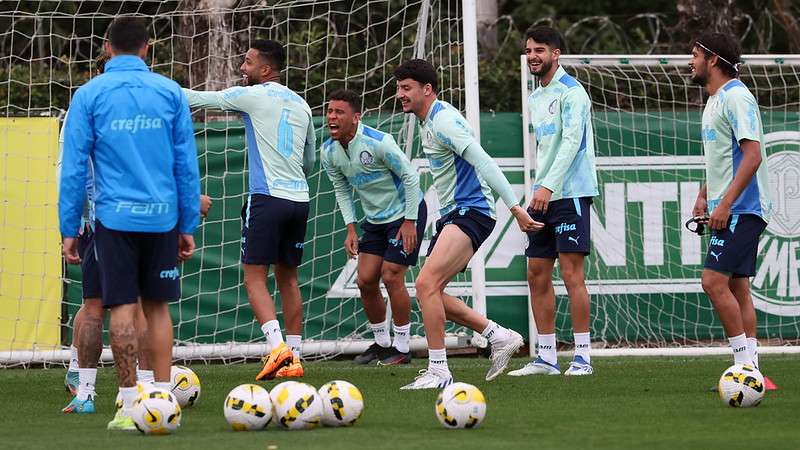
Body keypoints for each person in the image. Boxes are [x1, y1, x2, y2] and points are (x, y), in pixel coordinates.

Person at [59, 17, 200, 430]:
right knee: (157, 307)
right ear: (146, 48)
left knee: (120, 306)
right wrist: (187, 223)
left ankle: (127, 405)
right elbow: (185, 165)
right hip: (162, 216)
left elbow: (72, 169)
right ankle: (160, 398)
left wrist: (70, 227)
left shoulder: (88, 95)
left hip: (113, 219)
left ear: (106, 49)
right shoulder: (170, 92)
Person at [393, 59, 541, 390]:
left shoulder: (443, 121)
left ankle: (439, 371)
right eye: (399, 88)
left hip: (471, 210)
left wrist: (515, 208)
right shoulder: (427, 120)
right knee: (432, 292)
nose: (400, 94)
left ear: (426, 90)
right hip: (455, 213)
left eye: (406, 88)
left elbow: (484, 161)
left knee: (425, 285)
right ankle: (498, 334)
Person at [183, 39, 316, 380]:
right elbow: (310, 160)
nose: (242, 68)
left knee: (254, 277)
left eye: (248, 62)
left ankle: (278, 349)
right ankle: (296, 356)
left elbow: (198, 99)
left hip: (267, 199)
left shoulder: (252, 96)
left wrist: (151, 87)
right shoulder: (302, 105)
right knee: (288, 278)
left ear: (265, 70)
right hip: (299, 200)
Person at [508, 26, 599, 377]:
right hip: (543, 194)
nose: (533, 56)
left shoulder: (573, 93)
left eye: (540, 50)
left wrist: (547, 185)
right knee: (536, 272)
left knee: (572, 273)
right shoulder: (535, 96)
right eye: (529, 50)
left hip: (571, 192)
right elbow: (546, 150)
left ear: (556, 54)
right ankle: (546, 357)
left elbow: (573, 144)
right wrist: (540, 188)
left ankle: (583, 358)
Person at [689, 32, 776, 390]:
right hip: (728, 206)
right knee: (738, 286)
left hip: (743, 208)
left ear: (712, 59)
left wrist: (725, 204)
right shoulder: (714, 100)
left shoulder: (737, 96)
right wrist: (704, 195)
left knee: (712, 281)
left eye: (694, 54)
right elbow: (724, 159)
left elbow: (752, 156)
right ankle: (752, 370)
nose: (690, 61)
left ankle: (743, 369)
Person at [321, 88, 426, 366]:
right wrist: (351, 228)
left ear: (356, 117)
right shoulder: (329, 151)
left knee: (391, 276)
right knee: (365, 281)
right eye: (329, 111)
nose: (331, 117)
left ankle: (402, 346)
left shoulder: (379, 142)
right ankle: (382, 344)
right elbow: (342, 190)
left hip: (406, 214)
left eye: (339, 112)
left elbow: (411, 178)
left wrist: (410, 221)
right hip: (375, 220)